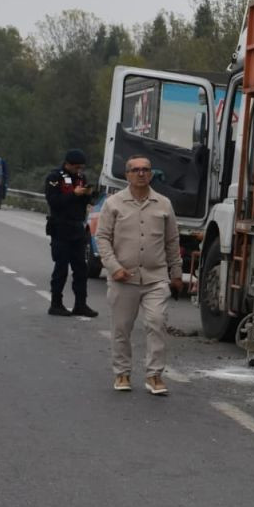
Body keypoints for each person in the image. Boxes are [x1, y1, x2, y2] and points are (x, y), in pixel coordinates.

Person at [94, 155, 183, 395]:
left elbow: (172, 241)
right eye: (135, 170)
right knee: (121, 328)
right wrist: (114, 267)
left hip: (156, 278)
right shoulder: (113, 204)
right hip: (124, 278)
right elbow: (102, 238)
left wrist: (177, 274)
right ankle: (122, 372)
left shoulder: (164, 204)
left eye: (145, 170)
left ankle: (154, 375)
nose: (141, 173)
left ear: (151, 174)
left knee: (156, 323)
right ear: (127, 175)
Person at [44, 148, 98, 317]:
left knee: (81, 269)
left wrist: (89, 195)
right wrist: (74, 195)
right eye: (76, 167)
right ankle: (56, 303)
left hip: (77, 228)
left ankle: (80, 304)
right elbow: (54, 201)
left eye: (81, 167)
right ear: (67, 164)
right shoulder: (55, 178)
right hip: (60, 228)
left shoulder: (81, 178)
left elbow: (88, 202)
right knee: (61, 268)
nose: (79, 171)